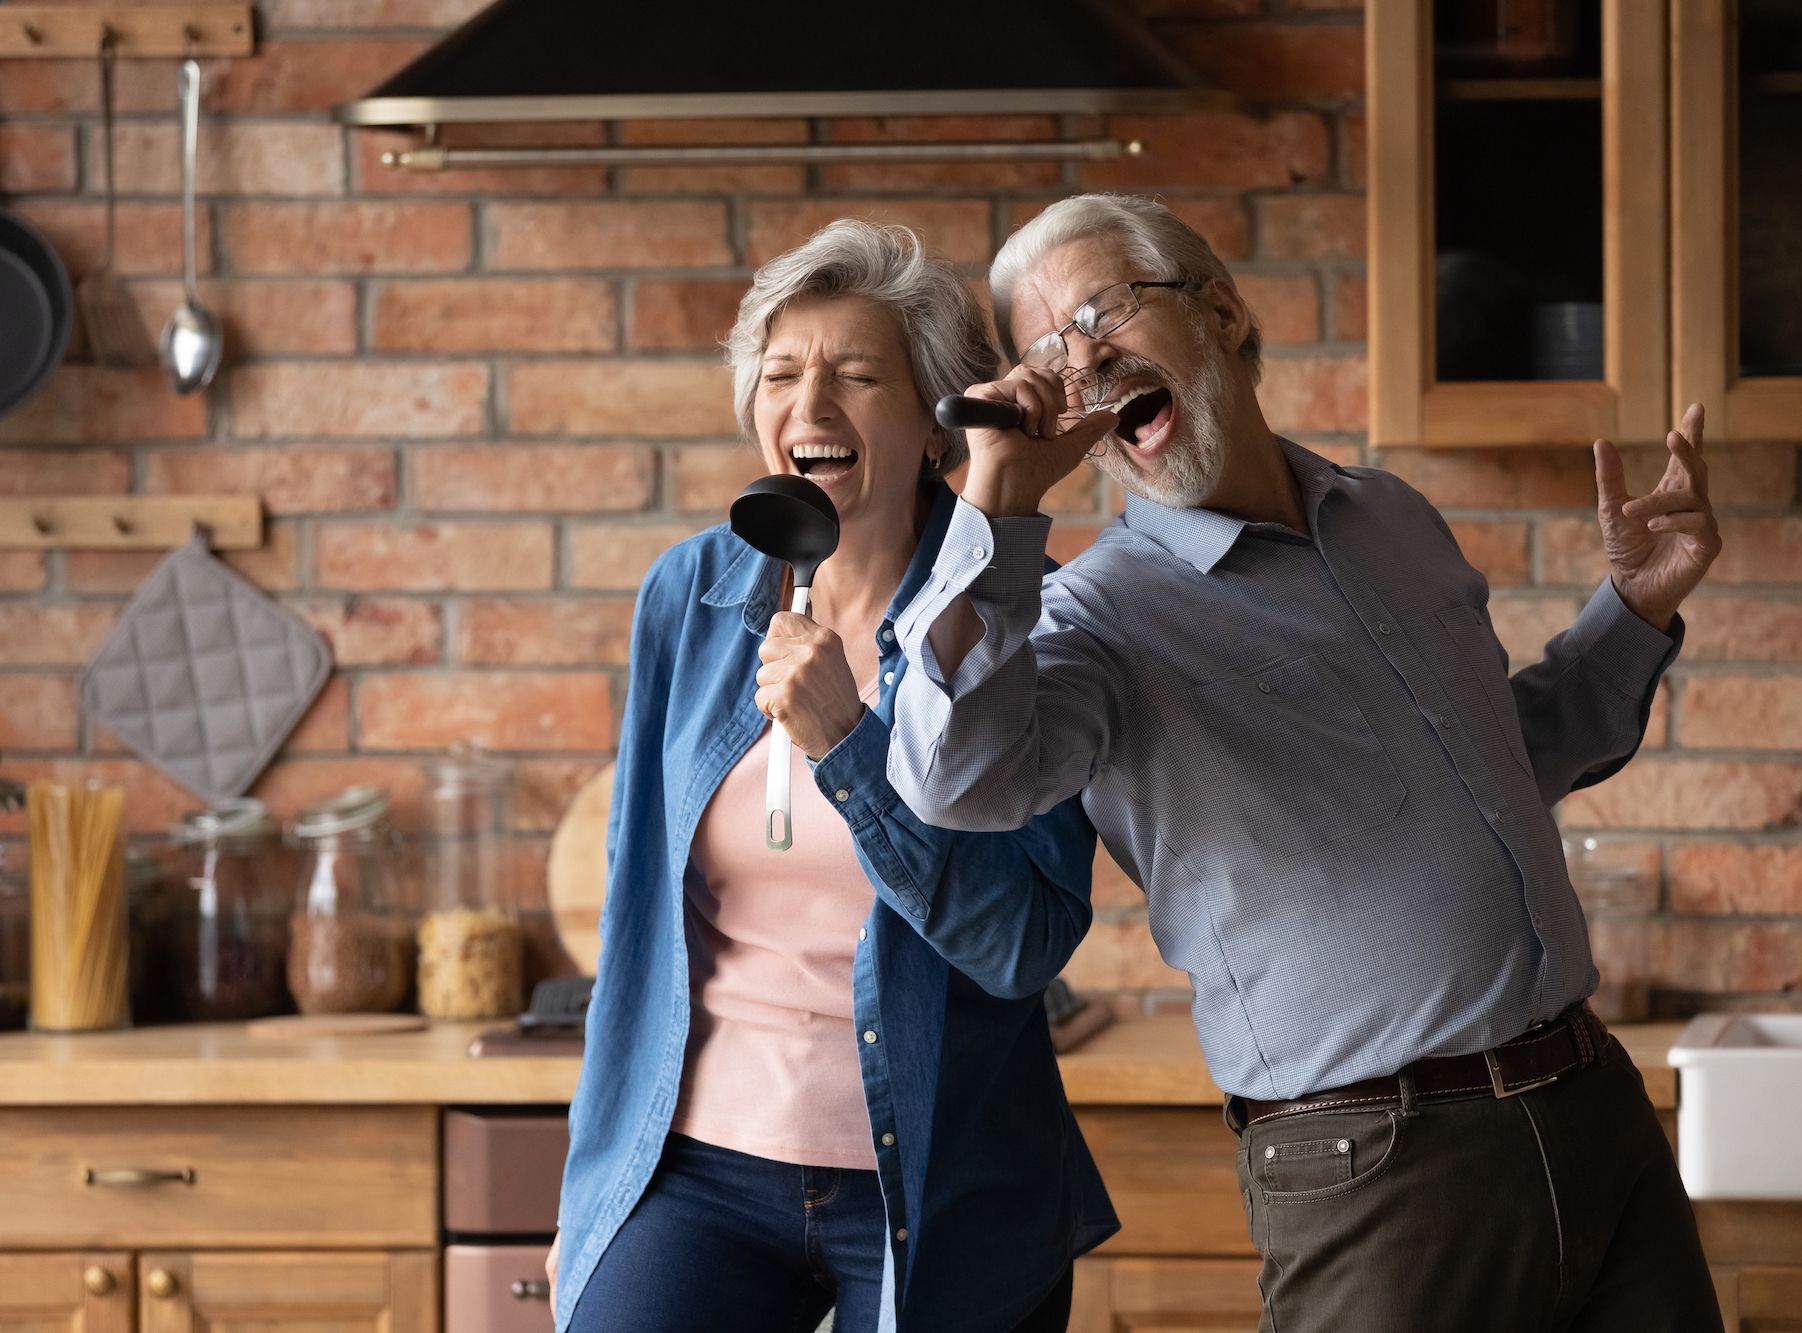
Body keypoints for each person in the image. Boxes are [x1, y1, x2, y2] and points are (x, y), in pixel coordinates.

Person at [885, 193, 1726, 1333]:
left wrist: (1629, 609)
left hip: (1591, 1108)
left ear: (1221, 311)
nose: (1080, 360)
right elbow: (951, 778)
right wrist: (995, 500)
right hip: (1377, 1170)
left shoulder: (1389, 518)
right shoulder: (1090, 617)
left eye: (1102, 311)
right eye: (1045, 350)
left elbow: (1506, 763)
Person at [550, 219, 1115, 1333]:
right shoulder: (691, 594)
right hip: (695, 1168)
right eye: (780, 375)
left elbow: (1022, 945)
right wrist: (598, 1176)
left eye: (856, 376)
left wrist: (846, 745)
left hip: (942, 1184)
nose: (808, 409)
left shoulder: (1025, 610)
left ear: (932, 421)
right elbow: (636, 892)